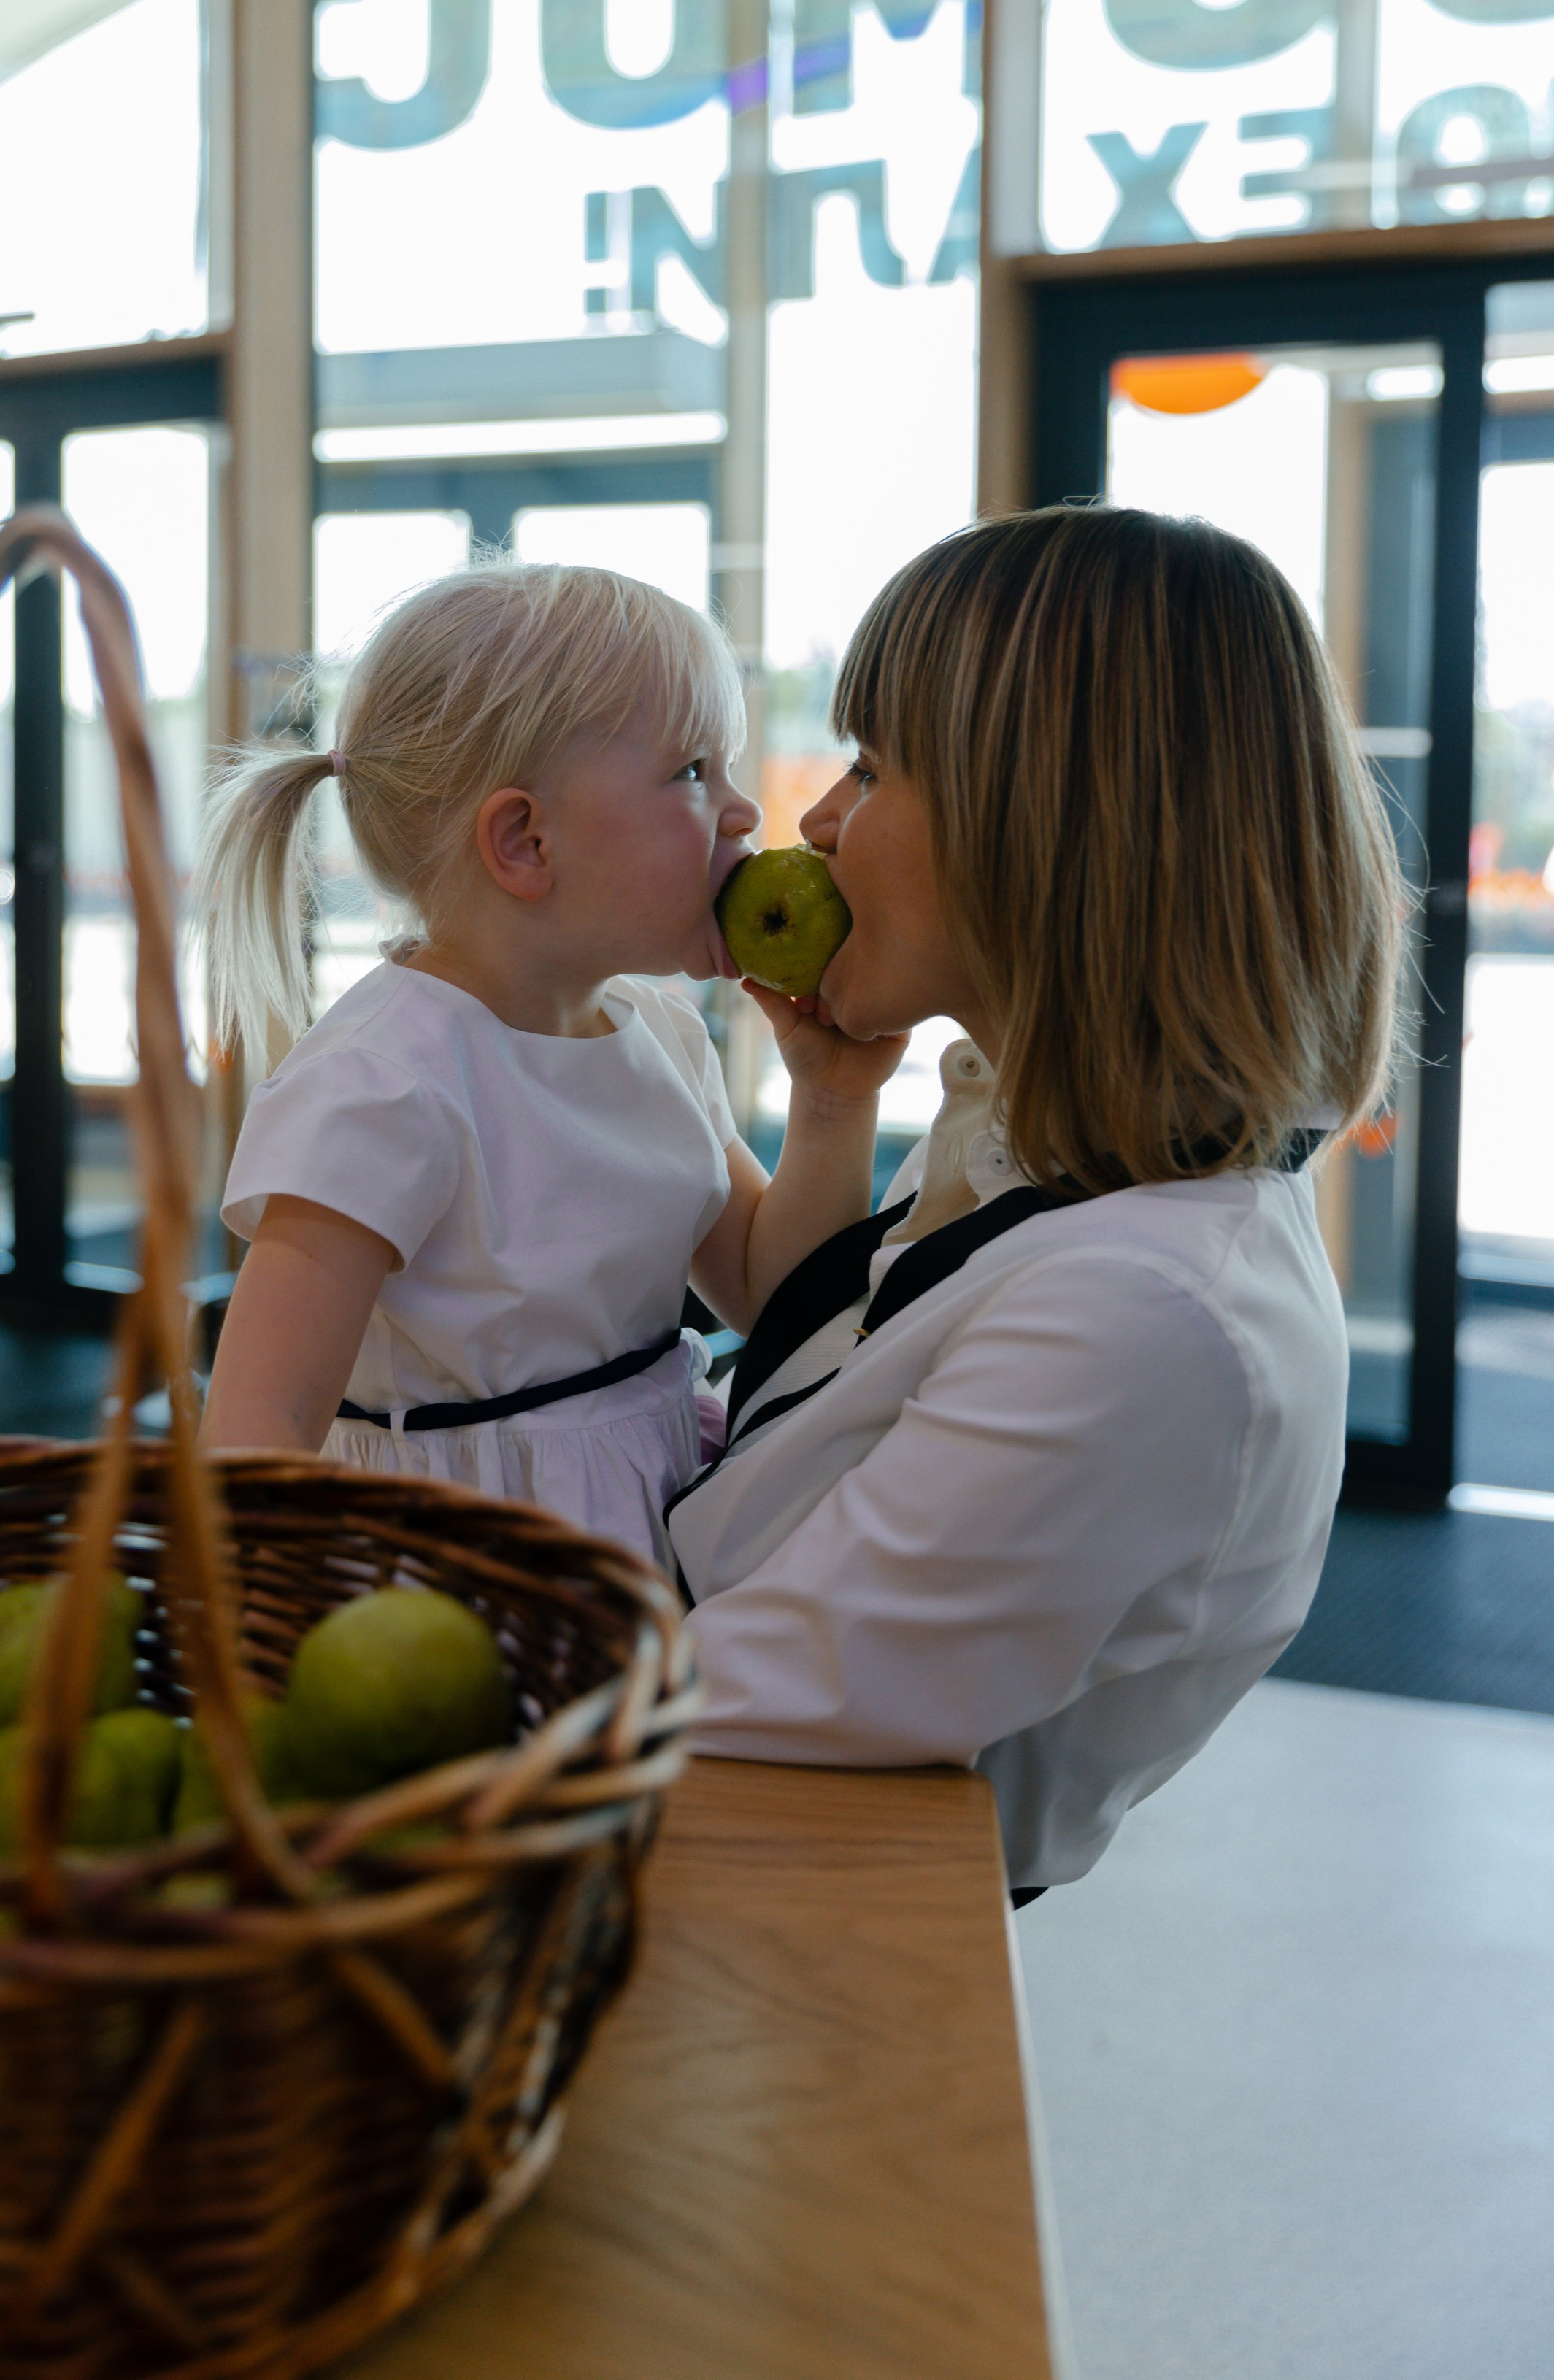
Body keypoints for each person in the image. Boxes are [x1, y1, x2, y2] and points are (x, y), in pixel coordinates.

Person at [669, 507, 1402, 1896]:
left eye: (872, 768)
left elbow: (751, 1691)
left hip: (788, 1897)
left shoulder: (1144, 1313)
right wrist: (828, 1102)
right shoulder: (1034, 1144)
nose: (816, 822)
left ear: (1040, 827)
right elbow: (826, 1408)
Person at [196, 561, 905, 1565]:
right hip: (466, 1570)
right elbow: (257, 1426)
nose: (745, 812)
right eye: (694, 773)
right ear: (526, 841)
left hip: (653, 1531)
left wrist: (831, 1101)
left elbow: (771, 1297)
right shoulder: (382, 1084)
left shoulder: (659, 1037)